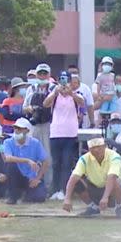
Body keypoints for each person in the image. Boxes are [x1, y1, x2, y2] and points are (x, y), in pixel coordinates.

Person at [43, 71, 85, 200]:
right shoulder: (54, 94)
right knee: (56, 163)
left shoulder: (77, 94)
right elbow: (45, 104)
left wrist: (70, 92)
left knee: (67, 163)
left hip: (70, 134)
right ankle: (55, 190)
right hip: (55, 133)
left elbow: (82, 102)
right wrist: (56, 92)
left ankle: (65, 190)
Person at [63, 138, 121, 218]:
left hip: (116, 192)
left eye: (99, 147)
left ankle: (119, 207)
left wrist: (105, 197)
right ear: (89, 149)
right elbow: (73, 178)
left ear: (104, 146)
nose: (96, 150)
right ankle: (93, 207)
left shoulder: (114, 156)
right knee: (75, 181)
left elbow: (112, 176)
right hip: (95, 189)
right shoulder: (84, 159)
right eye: (93, 148)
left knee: (116, 181)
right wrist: (67, 198)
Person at [2, 118, 49, 205]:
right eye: (15, 128)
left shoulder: (35, 143)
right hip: (16, 177)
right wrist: (27, 161)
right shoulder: (8, 142)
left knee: (40, 197)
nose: (16, 130)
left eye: (19, 129)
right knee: (11, 165)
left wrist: (37, 178)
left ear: (27, 130)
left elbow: (45, 161)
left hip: (31, 178)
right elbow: (7, 158)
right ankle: (13, 196)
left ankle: (25, 194)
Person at [24, 63, 56, 186]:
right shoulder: (31, 89)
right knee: (32, 154)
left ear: (49, 75)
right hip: (34, 125)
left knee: (48, 156)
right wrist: (31, 109)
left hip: (49, 124)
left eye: (45, 73)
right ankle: (31, 182)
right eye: (40, 73)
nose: (42, 76)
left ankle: (48, 184)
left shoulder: (54, 88)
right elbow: (24, 107)